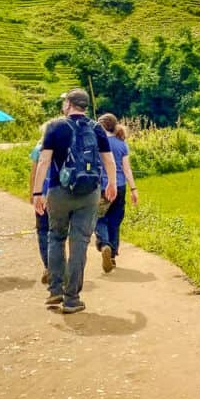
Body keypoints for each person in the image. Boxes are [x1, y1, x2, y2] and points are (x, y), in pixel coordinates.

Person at [32, 88, 118, 314]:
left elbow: (43, 161)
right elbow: (108, 160)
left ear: (69, 104)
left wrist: (37, 193)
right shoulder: (96, 127)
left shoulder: (55, 126)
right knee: (79, 242)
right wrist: (110, 184)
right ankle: (72, 299)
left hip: (59, 191)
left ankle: (55, 290)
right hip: (89, 193)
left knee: (56, 237)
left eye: (64, 101)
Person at [94, 113, 138, 272]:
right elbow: (127, 169)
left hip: (103, 187)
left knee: (99, 217)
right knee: (115, 220)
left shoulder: (98, 142)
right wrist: (134, 189)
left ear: (101, 126)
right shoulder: (122, 143)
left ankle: (104, 244)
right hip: (120, 187)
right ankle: (112, 255)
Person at [29, 119, 61, 285]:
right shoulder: (62, 147)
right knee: (58, 231)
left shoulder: (38, 149)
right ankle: (58, 267)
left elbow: (34, 174)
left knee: (42, 230)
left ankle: (49, 266)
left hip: (41, 194)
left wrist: (32, 193)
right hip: (59, 194)